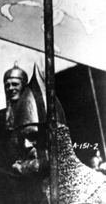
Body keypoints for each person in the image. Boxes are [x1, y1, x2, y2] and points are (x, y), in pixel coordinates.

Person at [11, 64, 106, 204]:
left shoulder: (99, 190)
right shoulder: (40, 196)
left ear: (58, 137)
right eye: (22, 139)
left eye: (32, 136)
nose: (26, 145)